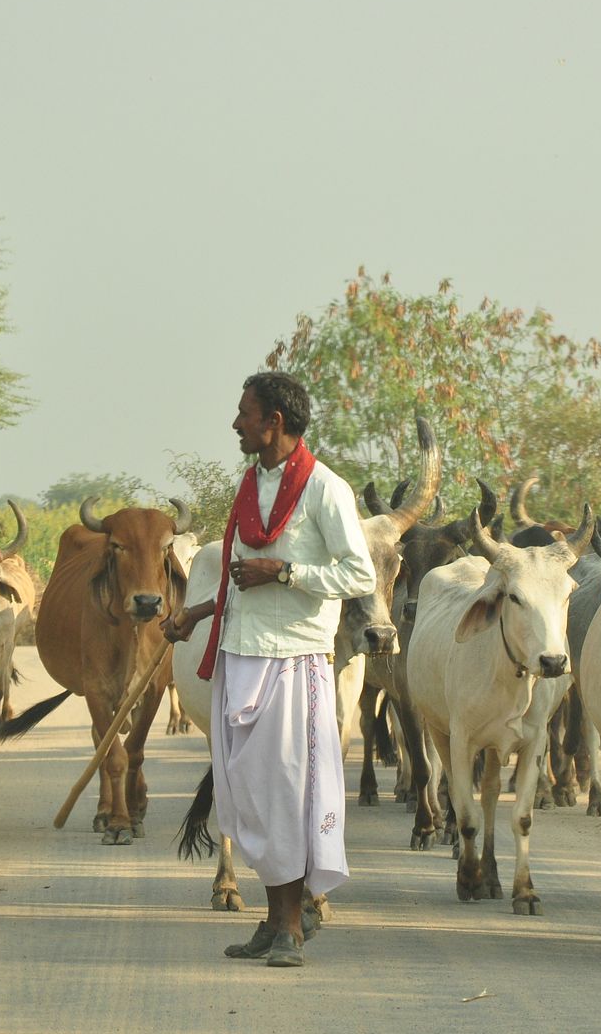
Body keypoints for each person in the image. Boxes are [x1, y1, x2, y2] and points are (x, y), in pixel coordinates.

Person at [163, 371, 375, 969]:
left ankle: (289, 926)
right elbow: (239, 576)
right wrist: (196, 613)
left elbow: (360, 575)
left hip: (294, 658)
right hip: (239, 650)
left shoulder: (326, 489)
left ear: (273, 422)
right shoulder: (250, 483)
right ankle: (276, 917)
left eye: (244, 414)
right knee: (249, 795)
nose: (236, 424)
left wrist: (287, 574)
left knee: (287, 795)